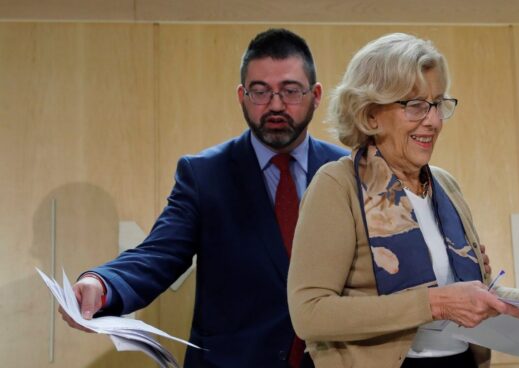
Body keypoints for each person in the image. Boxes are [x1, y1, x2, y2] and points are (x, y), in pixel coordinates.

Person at [287, 33, 519, 368]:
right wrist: (434, 304)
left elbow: (474, 296)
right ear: (370, 114)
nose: (434, 121)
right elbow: (311, 312)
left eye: (438, 104)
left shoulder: (445, 185)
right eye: (416, 105)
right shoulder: (338, 185)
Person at [59, 28, 348, 368]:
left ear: (315, 95)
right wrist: (102, 283)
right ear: (241, 95)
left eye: (290, 91)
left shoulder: (346, 172)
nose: (275, 105)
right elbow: (158, 254)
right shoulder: (205, 175)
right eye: (260, 91)